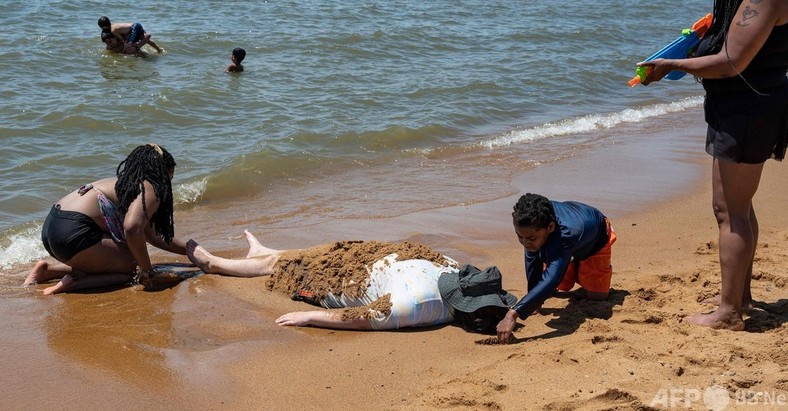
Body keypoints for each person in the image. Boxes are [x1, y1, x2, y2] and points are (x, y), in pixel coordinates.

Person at [638, 0, 788, 330]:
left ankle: (729, 312)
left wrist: (671, 65)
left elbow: (731, 62)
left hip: (749, 111)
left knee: (731, 212)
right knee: (734, 208)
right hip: (747, 106)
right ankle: (739, 296)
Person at [186, 233, 517, 334]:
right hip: (368, 265)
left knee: (291, 264)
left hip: (365, 270)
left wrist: (309, 315)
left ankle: (218, 264)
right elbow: (365, 316)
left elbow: (363, 315)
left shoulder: (440, 284)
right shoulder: (439, 291)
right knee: (306, 255)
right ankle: (249, 256)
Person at [23, 144, 191, 294]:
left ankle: (48, 270)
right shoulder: (150, 187)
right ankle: (72, 283)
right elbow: (132, 229)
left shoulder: (123, 184)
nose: (169, 184)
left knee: (115, 260)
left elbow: (151, 235)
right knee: (131, 267)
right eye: (170, 178)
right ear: (161, 174)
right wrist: (147, 271)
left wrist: (188, 250)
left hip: (52, 228)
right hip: (73, 232)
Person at [496, 193, 617, 344]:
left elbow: (552, 278)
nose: (525, 243)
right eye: (520, 237)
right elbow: (532, 260)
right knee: (562, 286)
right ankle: (568, 263)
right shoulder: (534, 221)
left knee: (596, 297)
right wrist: (534, 303)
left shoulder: (564, 233)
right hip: (562, 245)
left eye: (530, 238)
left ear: (551, 227)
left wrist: (513, 314)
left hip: (595, 240)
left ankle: (572, 264)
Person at [98, 15, 163, 54]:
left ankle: (138, 49)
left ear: (104, 27)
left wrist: (126, 44)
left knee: (129, 47)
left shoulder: (113, 30)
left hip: (134, 28)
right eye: (107, 43)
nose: (109, 44)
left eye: (110, 42)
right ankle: (159, 49)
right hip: (136, 26)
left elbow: (121, 39)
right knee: (144, 40)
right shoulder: (114, 26)